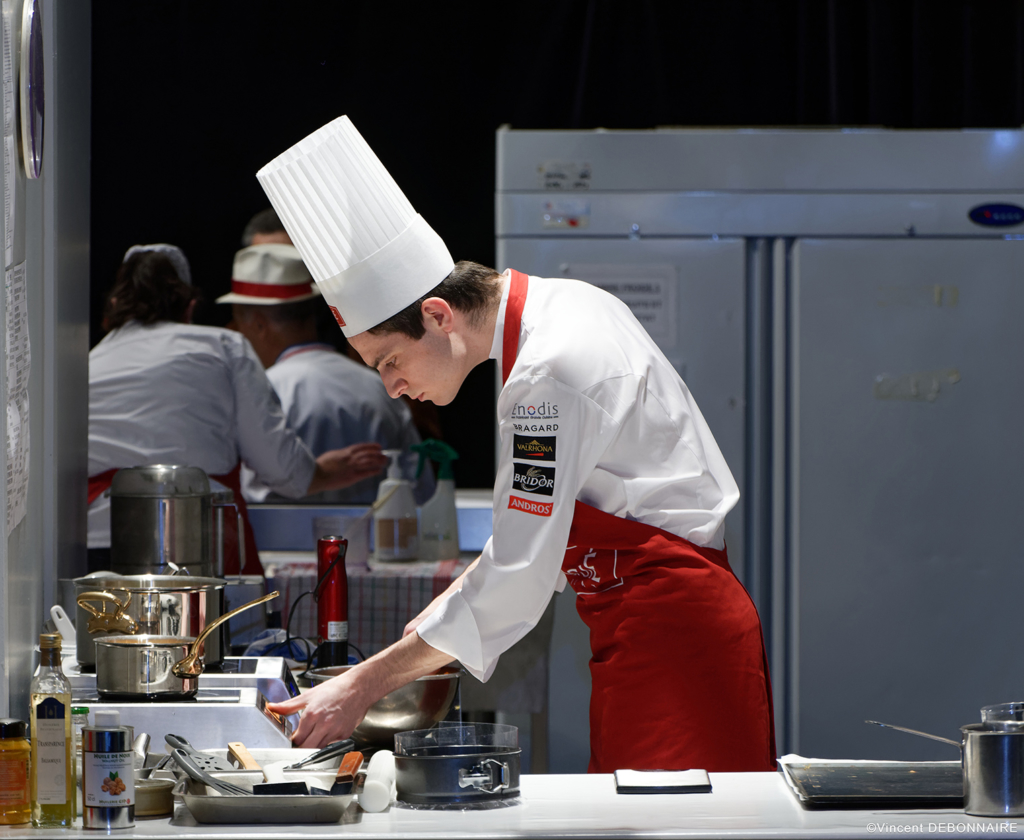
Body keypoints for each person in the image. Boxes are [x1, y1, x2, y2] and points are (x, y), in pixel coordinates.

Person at [260, 117, 775, 773]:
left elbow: (518, 578)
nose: (392, 389)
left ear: (438, 316)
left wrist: (365, 683)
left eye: (389, 361)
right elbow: (527, 544)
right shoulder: (563, 307)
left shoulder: (544, 376)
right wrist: (431, 626)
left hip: (675, 636)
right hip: (651, 626)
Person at [87, 243, 388, 574]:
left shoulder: (87, 364)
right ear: (188, 307)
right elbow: (286, 471)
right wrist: (323, 472)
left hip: (97, 549)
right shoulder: (223, 347)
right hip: (193, 547)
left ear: (115, 305)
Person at [218, 243, 433, 503]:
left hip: (282, 543)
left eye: (238, 323)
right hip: (379, 542)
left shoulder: (261, 391)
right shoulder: (380, 388)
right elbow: (419, 489)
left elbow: (244, 498)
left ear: (259, 324)